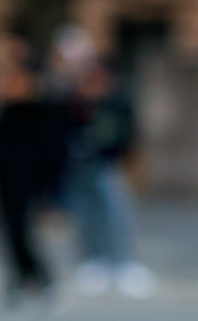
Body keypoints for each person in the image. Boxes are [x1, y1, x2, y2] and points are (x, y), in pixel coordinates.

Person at [64, 59, 154, 298]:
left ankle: (124, 262)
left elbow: (128, 133)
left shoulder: (116, 101)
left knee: (117, 213)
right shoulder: (76, 102)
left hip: (110, 163)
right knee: (87, 215)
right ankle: (94, 261)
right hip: (81, 165)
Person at [0, 60, 65, 306]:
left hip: (32, 182)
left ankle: (37, 274)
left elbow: (52, 151)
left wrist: (50, 185)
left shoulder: (41, 113)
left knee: (25, 231)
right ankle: (21, 274)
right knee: (10, 231)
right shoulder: (3, 113)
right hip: (7, 181)